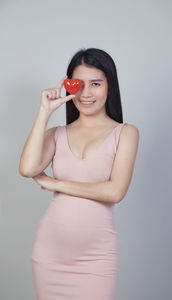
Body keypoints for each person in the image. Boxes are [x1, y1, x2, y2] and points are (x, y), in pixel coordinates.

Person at [19, 47, 139, 300]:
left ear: (109, 86)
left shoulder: (125, 133)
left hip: (96, 257)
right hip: (50, 254)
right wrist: (45, 112)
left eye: (95, 83)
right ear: (68, 87)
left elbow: (114, 192)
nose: (86, 93)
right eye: (78, 85)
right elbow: (28, 169)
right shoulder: (57, 134)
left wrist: (56, 183)